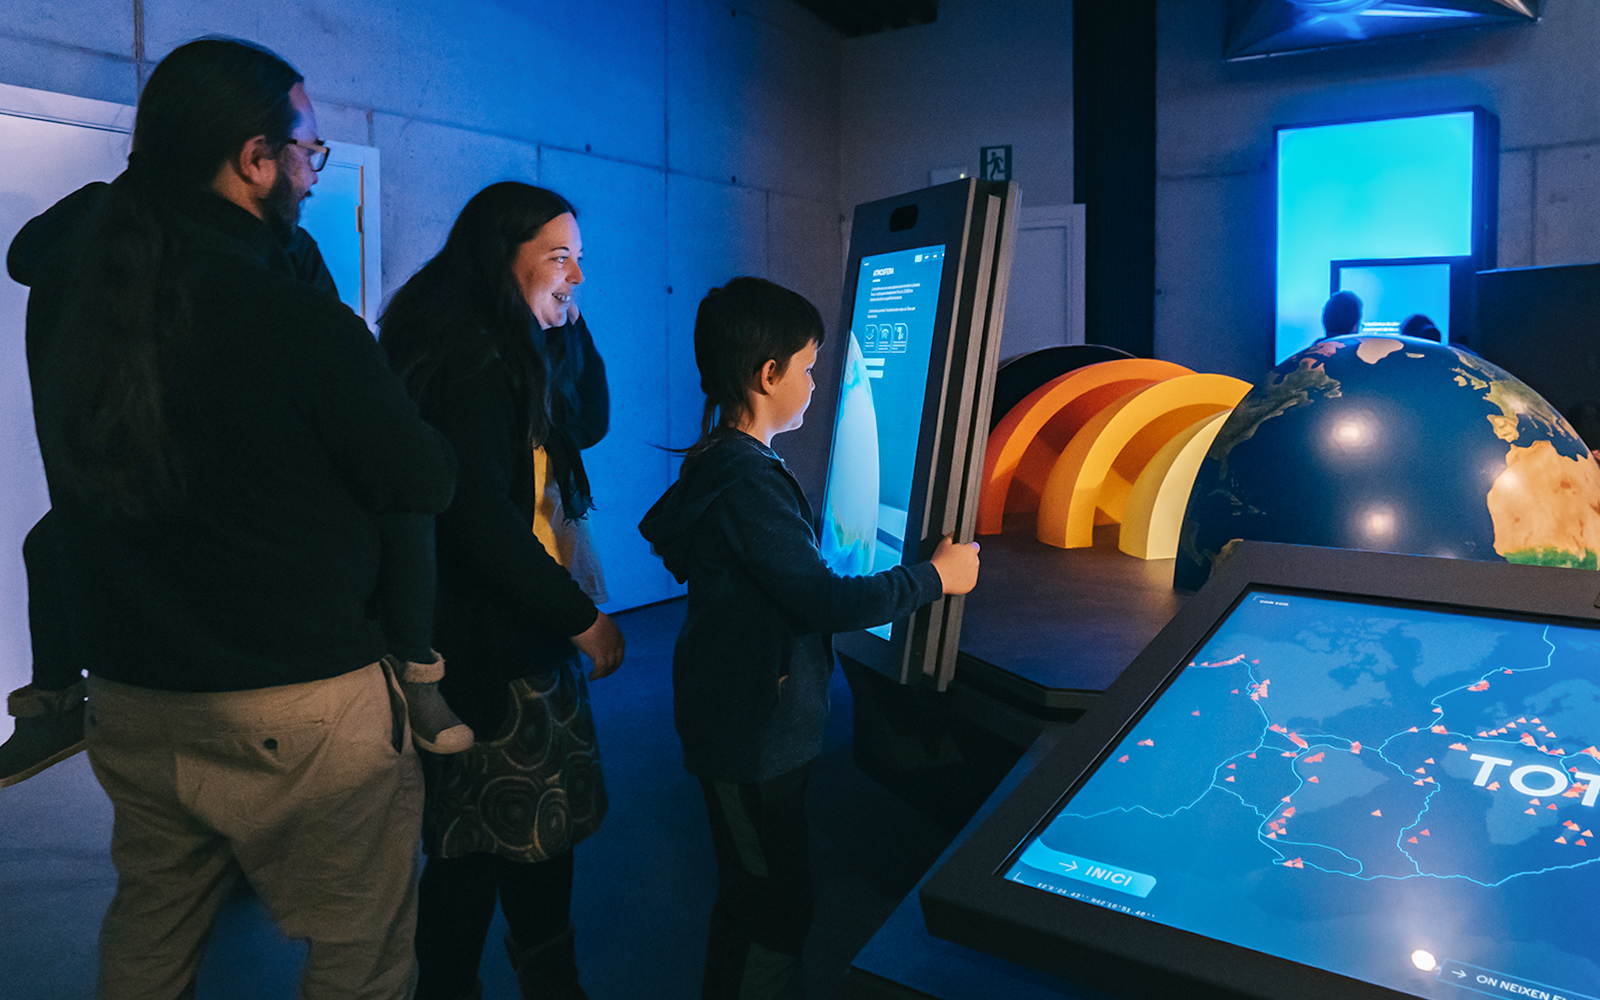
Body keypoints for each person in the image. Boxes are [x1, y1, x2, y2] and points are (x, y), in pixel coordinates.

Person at [20, 37, 457, 999]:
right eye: (309, 151)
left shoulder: (70, 300)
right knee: (359, 949)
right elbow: (421, 475)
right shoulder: (292, 315)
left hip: (131, 693)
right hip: (297, 706)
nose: (311, 173)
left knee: (150, 929)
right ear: (254, 159)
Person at [637, 276, 981, 1000]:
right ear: (769, 376)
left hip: (745, 724)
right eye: (809, 365)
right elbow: (821, 599)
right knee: (774, 910)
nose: (818, 382)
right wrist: (937, 577)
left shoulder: (724, 464)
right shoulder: (749, 482)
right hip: (750, 736)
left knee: (754, 893)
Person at [379, 181, 624, 1000]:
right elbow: (478, 521)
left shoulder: (506, 342)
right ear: (498, 261)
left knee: (479, 853)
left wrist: (565, 318)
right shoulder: (471, 363)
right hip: (497, 647)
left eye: (579, 258)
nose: (576, 275)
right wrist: (583, 620)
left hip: (499, 640)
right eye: (558, 258)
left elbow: (586, 422)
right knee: (509, 856)